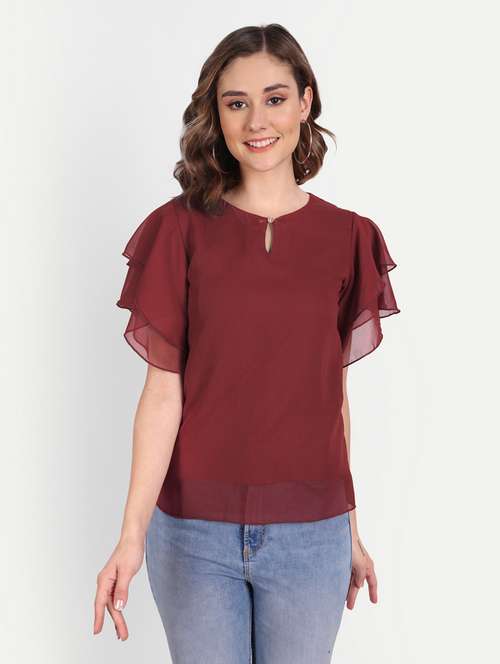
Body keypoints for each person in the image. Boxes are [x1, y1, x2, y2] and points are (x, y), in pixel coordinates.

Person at [93, 23, 401, 663]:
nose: (257, 120)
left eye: (275, 98)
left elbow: (331, 399)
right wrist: (130, 535)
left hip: (312, 537)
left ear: (305, 102)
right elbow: (163, 393)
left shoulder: (349, 237)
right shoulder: (177, 229)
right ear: (217, 113)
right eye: (237, 102)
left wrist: (349, 528)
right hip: (192, 535)